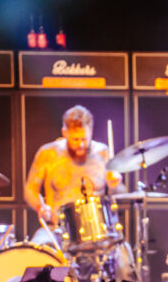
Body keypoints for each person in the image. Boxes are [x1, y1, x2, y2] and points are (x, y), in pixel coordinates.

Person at [24, 105, 122, 247]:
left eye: (84, 139)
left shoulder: (103, 152)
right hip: (57, 229)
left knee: (122, 253)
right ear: (64, 133)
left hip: (97, 230)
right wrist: (40, 207)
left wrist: (115, 184)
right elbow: (30, 189)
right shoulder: (48, 153)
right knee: (37, 249)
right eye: (75, 139)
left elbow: (117, 192)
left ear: (91, 131)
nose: (80, 144)